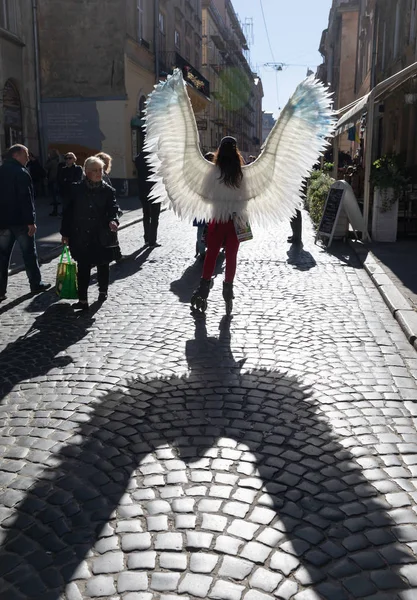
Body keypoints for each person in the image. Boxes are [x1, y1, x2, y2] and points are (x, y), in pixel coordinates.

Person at [60, 156, 120, 310]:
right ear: (86, 172)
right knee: (83, 267)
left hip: (101, 234)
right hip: (81, 234)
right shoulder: (75, 189)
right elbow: (67, 213)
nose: (99, 173)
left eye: (100, 170)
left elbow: (113, 208)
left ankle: (103, 290)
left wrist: (113, 220)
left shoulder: (108, 190)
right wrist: (65, 234)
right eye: (95, 171)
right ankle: (83, 300)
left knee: (103, 264)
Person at [191, 137, 243, 312]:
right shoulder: (242, 174)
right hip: (236, 221)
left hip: (218, 219)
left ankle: (203, 288)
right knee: (231, 257)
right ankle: (228, 289)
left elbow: (205, 195)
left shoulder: (213, 173)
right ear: (236, 153)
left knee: (211, 254)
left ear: (219, 151)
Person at [0, 144, 51, 301]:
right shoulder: (22, 173)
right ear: (16, 155)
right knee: (29, 253)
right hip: (21, 222)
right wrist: (31, 221)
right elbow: (26, 199)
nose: (28, 158)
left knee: (2, 257)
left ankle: (0, 290)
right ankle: (36, 284)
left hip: (3, 222)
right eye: (26, 155)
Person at [96, 152, 124, 261]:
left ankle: (116, 255)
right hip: (105, 211)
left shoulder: (99, 175)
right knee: (111, 233)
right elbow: (109, 195)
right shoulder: (103, 176)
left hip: (102, 210)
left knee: (107, 234)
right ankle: (116, 256)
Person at [135, 149, 160, 247]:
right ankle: (152, 240)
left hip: (143, 190)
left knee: (146, 215)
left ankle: (146, 238)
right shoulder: (155, 158)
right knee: (154, 217)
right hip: (155, 190)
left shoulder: (138, 158)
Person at [193, 151, 215, 259]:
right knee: (211, 228)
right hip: (209, 205)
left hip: (200, 204)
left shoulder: (198, 172)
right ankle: (209, 248)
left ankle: (202, 250)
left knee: (201, 229)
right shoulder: (215, 173)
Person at [45, 149, 63, 216]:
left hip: (53, 179)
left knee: (54, 196)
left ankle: (55, 211)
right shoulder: (59, 160)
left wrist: (48, 159)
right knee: (58, 196)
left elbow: (46, 166)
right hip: (58, 179)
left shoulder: (52, 161)